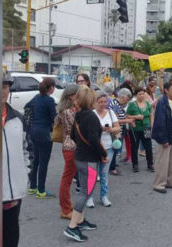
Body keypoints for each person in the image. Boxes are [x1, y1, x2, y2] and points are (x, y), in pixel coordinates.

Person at [63, 86, 108, 242]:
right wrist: (103, 154)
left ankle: (81, 221)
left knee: (84, 190)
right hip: (89, 161)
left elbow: (74, 136)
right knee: (85, 192)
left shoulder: (79, 115)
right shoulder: (92, 117)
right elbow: (95, 140)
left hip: (80, 157)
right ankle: (73, 226)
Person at [2, 74, 29, 247]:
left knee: (11, 236)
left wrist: (24, 174)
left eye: (5, 86)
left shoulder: (18, 118)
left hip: (13, 192)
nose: (1, 91)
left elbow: (27, 150)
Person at [87, 91, 120, 207]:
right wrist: (99, 128)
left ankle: (104, 196)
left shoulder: (110, 113)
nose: (102, 104)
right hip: (94, 148)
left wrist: (111, 129)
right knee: (92, 174)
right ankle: (89, 197)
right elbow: (88, 131)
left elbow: (118, 128)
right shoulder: (92, 114)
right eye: (100, 102)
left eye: (104, 102)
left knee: (104, 173)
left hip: (108, 147)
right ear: (95, 102)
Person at [28, 78, 57, 198]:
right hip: (44, 132)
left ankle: (33, 187)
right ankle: (41, 190)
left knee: (36, 160)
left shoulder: (36, 97)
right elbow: (54, 118)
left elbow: (26, 106)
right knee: (44, 162)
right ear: (51, 88)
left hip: (33, 131)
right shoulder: (49, 100)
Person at [152, 81, 172, 193]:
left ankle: (171, 181)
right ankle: (159, 184)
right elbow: (160, 122)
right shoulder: (162, 102)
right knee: (162, 160)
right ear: (166, 90)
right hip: (164, 133)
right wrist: (164, 139)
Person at [56, 84, 79, 220]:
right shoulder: (69, 111)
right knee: (67, 179)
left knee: (68, 178)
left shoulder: (62, 110)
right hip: (71, 147)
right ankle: (65, 209)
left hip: (68, 146)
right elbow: (76, 128)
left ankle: (67, 205)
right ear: (71, 96)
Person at [127, 87, 154, 172]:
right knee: (134, 146)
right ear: (136, 95)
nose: (141, 96)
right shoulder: (132, 104)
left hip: (146, 127)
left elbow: (151, 114)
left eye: (143, 94)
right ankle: (135, 164)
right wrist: (136, 117)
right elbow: (127, 116)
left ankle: (150, 164)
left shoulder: (147, 104)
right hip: (135, 128)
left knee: (148, 146)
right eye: (139, 94)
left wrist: (152, 124)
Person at [108, 88, 134, 175]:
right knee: (115, 149)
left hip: (118, 130)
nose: (126, 102)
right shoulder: (115, 104)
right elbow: (115, 120)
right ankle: (112, 168)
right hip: (116, 132)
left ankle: (113, 165)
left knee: (116, 149)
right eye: (126, 100)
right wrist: (127, 121)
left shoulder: (118, 104)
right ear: (122, 97)